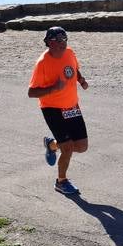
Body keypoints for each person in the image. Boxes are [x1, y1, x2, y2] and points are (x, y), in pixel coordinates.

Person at [27, 26, 90, 196]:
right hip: (52, 108)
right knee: (68, 147)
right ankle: (61, 182)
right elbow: (31, 92)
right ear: (50, 43)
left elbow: (73, 68)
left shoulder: (69, 53)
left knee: (82, 146)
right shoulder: (42, 63)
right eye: (59, 40)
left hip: (72, 106)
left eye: (65, 39)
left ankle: (52, 145)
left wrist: (81, 80)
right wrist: (53, 88)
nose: (63, 44)